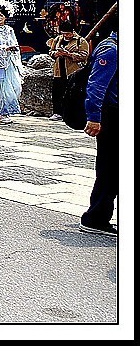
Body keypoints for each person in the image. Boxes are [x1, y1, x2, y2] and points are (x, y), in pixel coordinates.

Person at [80, 29, 118, 236]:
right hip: (111, 115)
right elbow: (96, 86)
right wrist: (93, 117)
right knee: (110, 168)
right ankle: (95, 218)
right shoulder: (110, 50)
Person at [47, 20, 90, 121]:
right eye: (63, 33)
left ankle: (73, 114)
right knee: (57, 92)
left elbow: (84, 55)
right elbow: (51, 51)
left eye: (67, 33)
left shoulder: (80, 41)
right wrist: (55, 54)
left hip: (73, 71)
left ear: (72, 32)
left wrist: (68, 54)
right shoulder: (58, 39)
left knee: (73, 94)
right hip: (58, 70)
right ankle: (57, 112)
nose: (66, 36)